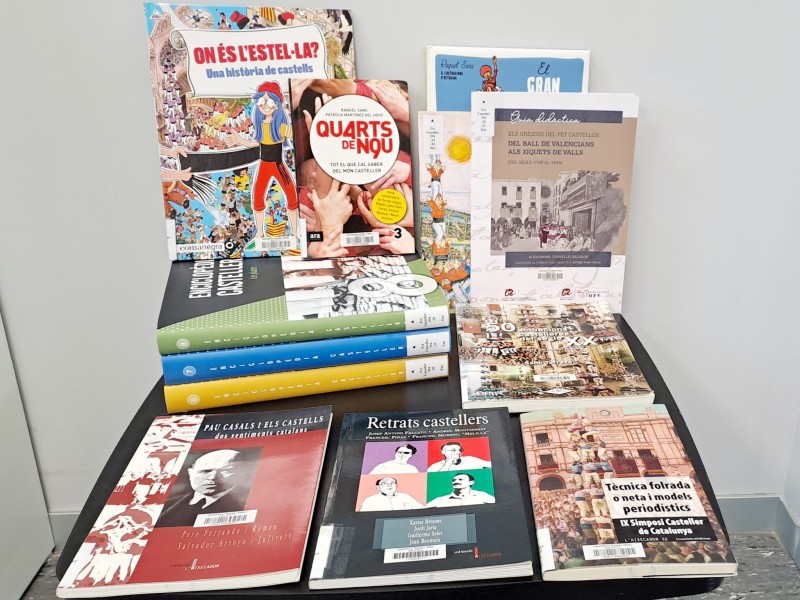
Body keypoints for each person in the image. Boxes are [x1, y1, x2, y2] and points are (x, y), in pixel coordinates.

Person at [155, 449, 251, 527]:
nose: (212, 477)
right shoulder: (164, 506)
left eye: (225, 471)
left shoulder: (247, 505)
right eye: (205, 471)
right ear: (191, 473)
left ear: (241, 473)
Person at [426, 473, 495, 507]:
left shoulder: (482, 495)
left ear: (471, 482)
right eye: (454, 480)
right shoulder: (440, 500)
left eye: (460, 479)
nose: (456, 482)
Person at [359, 477, 424, 511]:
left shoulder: (405, 497)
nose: (389, 485)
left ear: (396, 485)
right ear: (378, 487)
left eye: (392, 483)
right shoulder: (370, 500)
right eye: (384, 483)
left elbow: (421, 508)